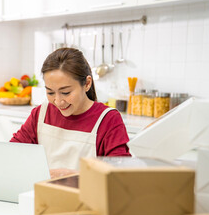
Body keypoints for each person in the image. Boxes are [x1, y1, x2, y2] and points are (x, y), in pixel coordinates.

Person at [11, 48, 131, 178]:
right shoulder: (41, 114)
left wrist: (77, 176)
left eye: (66, 92)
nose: (58, 101)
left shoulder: (108, 119)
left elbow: (120, 175)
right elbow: (13, 154)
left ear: (87, 83)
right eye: (50, 92)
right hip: (43, 195)